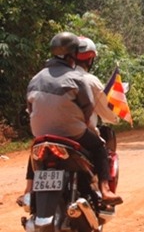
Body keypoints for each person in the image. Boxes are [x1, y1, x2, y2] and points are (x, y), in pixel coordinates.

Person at [23, 32, 123, 206]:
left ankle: (28, 190)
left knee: (36, 149)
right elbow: (87, 108)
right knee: (99, 147)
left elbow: (30, 108)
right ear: (73, 55)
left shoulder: (35, 78)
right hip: (72, 132)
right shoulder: (77, 78)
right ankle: (105, 190)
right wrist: (83, 123)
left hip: (40, 132)